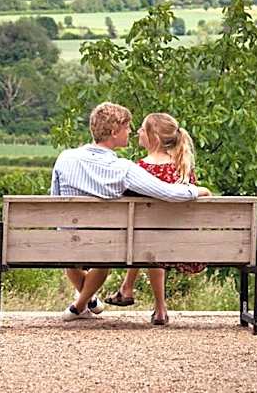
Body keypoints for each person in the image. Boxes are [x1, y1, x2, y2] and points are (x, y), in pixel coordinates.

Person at [50, 103, 211, 322]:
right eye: (127, 128)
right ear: (114, 132)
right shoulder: (123, 169)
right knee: (103, 255)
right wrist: (198, 190)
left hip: (66, 241)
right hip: (104, 247)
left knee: (75, 254)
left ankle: (84, 302)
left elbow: (54, 200)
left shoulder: (65, 158)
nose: (132, 132)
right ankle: (82, 304)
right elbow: (169, 193)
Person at [103, 112, 205, 326]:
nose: (137, 132)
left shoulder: (140, 168)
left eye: (141, 129)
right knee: (151, 233)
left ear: (153, 138)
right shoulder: (183, 168)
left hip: (147, 242)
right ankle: (140, 297)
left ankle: (150, 302)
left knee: (146, 235)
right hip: (182, 240)